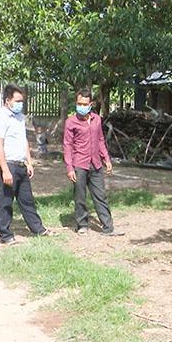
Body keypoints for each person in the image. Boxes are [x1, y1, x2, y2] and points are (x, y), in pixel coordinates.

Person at [0, 84, 52, 244]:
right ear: (7, 101)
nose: (20, 104)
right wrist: (4, 170)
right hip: (7, 164)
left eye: (22, 101)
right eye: (17, 100)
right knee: (6, 200)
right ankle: (5, 234)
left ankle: (38, 229)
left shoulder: (19, 118)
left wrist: (29, 162)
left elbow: (23, 141)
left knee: (27, 199)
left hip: (20, 164)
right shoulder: (0, 118)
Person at [63, 88, 124, 236]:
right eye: (79, 103)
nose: (81, 107)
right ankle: (82, 224)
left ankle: (108, 227)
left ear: (90, 104)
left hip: (95, 163)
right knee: (80, 196)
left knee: (100, 195)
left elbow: (100, 140)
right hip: (79, 164)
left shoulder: (97, 119)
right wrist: (70, 168)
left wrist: (106, 159)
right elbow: (67, 145)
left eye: (85, 104)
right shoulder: (71, 122)